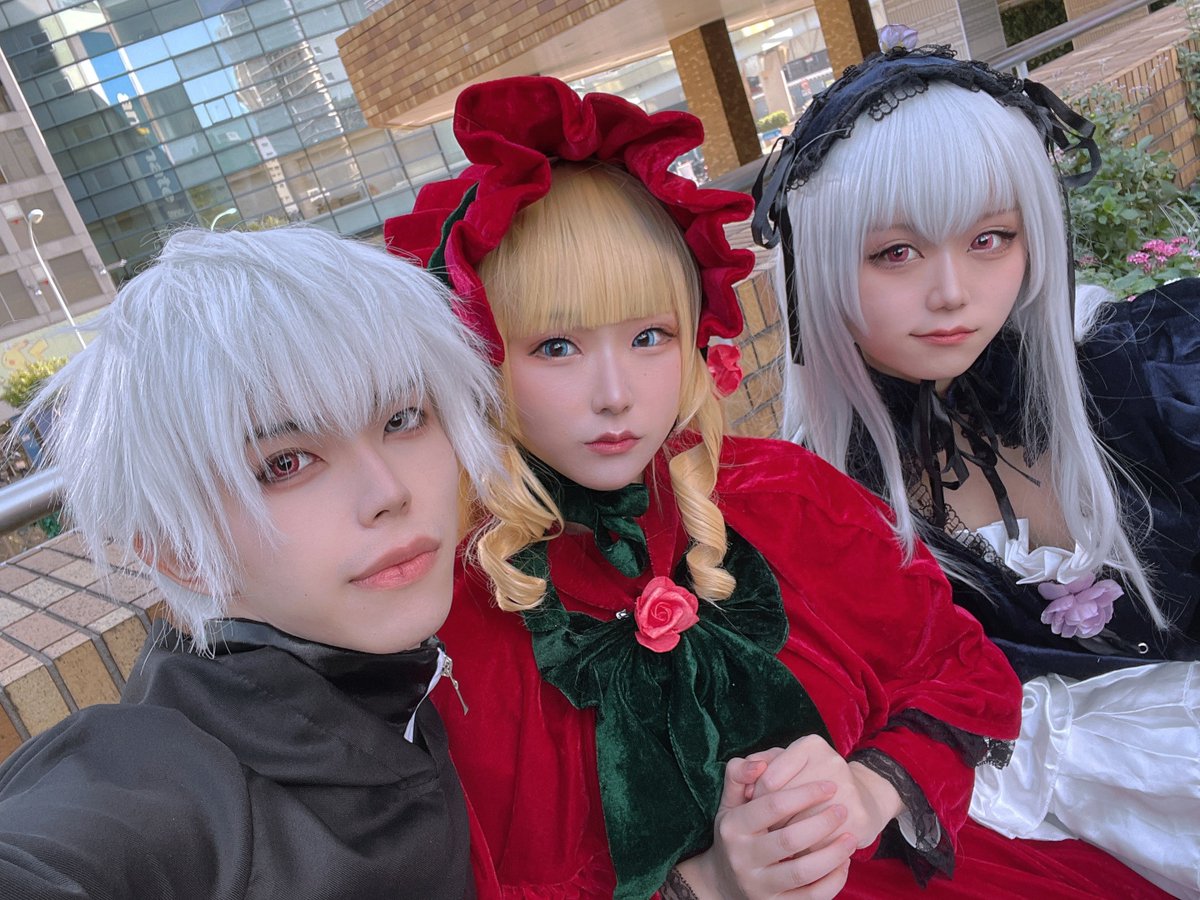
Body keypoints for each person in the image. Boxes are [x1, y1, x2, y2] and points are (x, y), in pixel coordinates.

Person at [386, 74, 1168, 899]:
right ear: (476, 355)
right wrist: (709, 885)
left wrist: (869, 790)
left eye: (650, 336)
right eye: (556, 347)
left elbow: (956, 668)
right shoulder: (442, 618)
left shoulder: (783, 498)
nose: (615, 394)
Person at [753, 44, 1199, 897]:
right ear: (820, 268)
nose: (953, 292)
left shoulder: (1149, 374)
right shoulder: (820, 513)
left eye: (991, 239)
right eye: (895, 253)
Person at [0, 226, 499, 899]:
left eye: (403, 418)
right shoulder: (170, 785)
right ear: (177, 549)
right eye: (285, 463)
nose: (389, 492)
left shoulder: (389, 663)